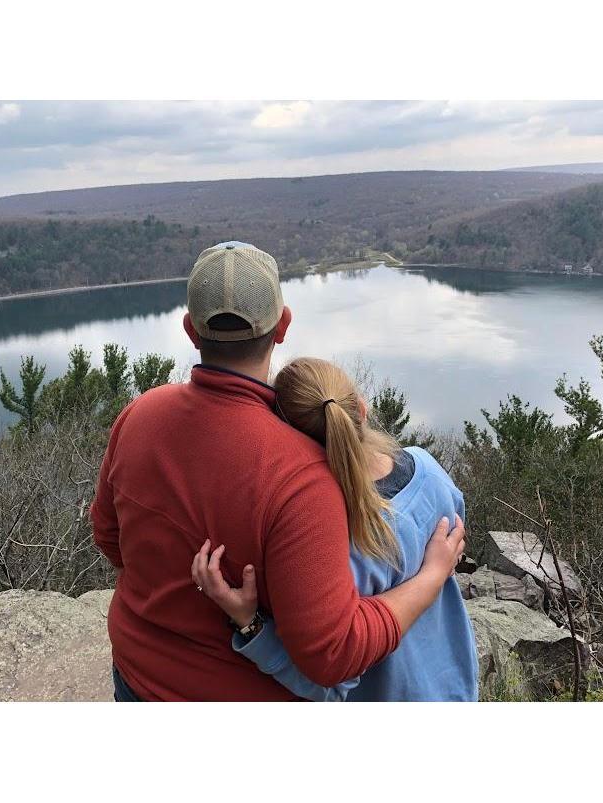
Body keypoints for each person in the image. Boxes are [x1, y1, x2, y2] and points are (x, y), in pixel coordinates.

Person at [91, 241, 466, 701]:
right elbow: (332, 653)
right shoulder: (303, 474)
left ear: (191, 330)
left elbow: (110, 537)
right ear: (283, 325)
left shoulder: (139, 414)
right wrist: (430, 579)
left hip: (135, 677)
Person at [192, 357, 478, 701]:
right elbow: (457, 530)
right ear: (361, 409)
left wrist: (250, 624)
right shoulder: (428, 471)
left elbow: (328, 681)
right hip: (456, 687)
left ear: (287, 438)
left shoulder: (331, 545)